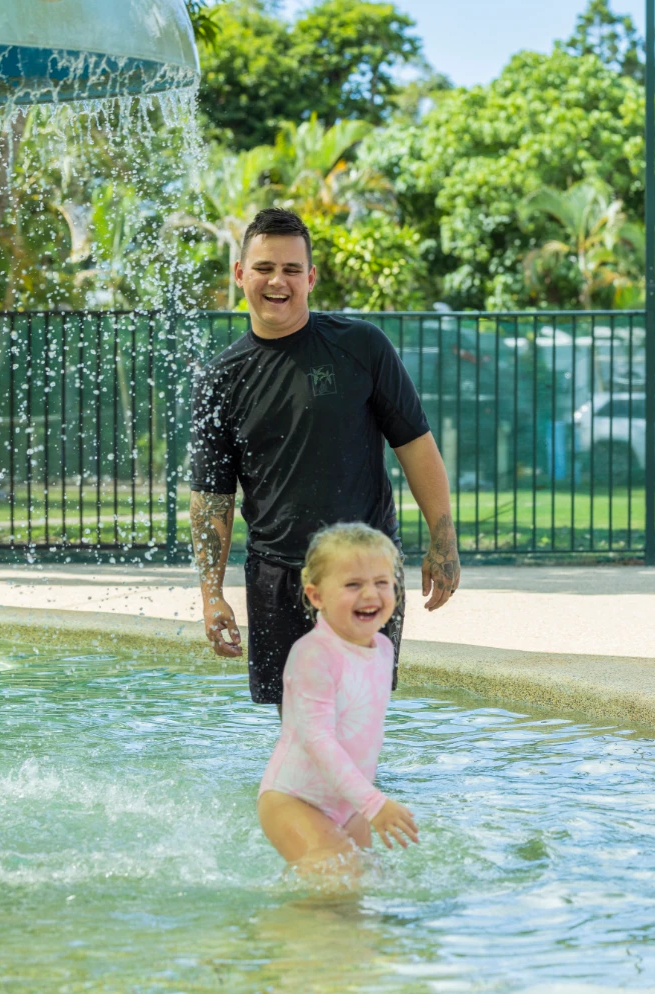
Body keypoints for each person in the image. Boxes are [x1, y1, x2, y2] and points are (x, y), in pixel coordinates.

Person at [189, 207, 460, 708]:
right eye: (265, 267)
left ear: (310, 278)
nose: (278, 281)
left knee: (354, 720)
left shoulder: (361, 346)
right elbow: (212, 500)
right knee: (299, 728)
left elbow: (416, 445)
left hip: (365, 572)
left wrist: (443, 542)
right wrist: (211, 594)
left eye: (292, 269)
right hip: (274, 576)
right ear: (240, 274)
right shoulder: (220, 379)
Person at [257, 523, 419, 869]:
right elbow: (317, 739)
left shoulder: (383, 648)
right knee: (334, 884)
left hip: (348, 801)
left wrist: (362, 803)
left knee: (359, 889)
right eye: (353, 585)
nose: (370, 595)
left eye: (381, 583)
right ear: (317, 596)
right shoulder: (314, 654)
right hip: (294, 798)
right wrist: (374, 804)